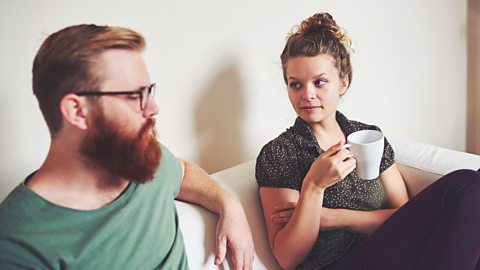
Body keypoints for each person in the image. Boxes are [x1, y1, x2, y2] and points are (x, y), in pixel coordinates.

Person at [0, 24, 254, 269]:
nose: (153, 108)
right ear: (77, 111)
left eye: (149, 92)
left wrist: (229, 205)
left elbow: (183, 172)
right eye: (135, 95)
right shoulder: (18, 242)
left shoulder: (145, 161)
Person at [255, 12, 480, 270]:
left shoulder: (369, 137)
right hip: (335, 265)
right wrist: (313, 187)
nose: (307, 94)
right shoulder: (280, 153)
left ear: (343, 82)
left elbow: (406, 217)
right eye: (296, 85)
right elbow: (287, 258)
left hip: (391, 253)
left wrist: (336, 218)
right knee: (468, 184)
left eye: (320, 82)